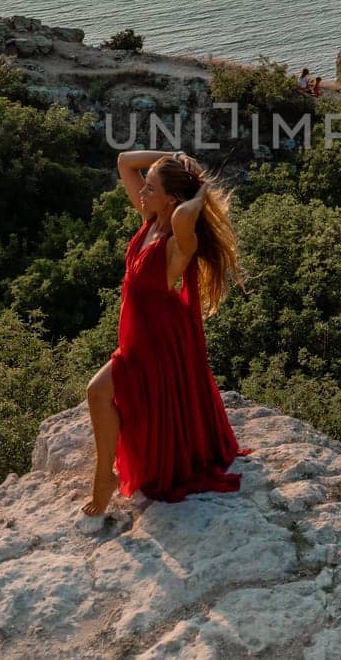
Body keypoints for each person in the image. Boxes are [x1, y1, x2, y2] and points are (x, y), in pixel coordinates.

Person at [80, 149, 249, 522]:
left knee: (97, 392)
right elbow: (125, 161)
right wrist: (177, 157)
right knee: (100, 394)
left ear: (172, 200)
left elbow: (186, 218)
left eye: (151, 188)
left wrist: (199, 191)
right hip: (138, 341)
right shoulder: (150, 221)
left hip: (157, 348)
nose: (141, 192)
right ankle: (106, 474)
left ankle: (104, 477)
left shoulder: (176, 245)